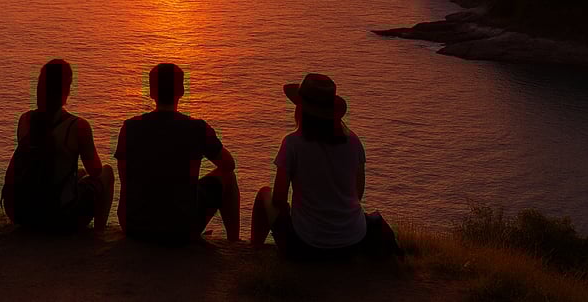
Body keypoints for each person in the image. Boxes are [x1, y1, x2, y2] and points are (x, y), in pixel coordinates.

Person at [250, 73, 401, 259]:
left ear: (301, 109)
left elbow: (279, 199)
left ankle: (254, 251)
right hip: (353, 241)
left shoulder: (292, 144)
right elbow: (357, 194)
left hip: (306, 244)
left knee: (264, 194)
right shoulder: (353, 142)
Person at [114, 63, 240, 244]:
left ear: (151, 92)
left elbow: (125, 178)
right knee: (228, 177)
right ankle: (234, 243)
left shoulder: (130, 127)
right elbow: (228, 164)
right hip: (180, 228)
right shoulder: (197, 128)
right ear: (181, 91)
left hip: (134, 225)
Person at [2, 58, 114, 231]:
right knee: (106, 173)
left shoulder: (25, 120)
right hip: (60, 218)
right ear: (66, 89)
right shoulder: (78, 126)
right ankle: (99, 232)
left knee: (79, 173)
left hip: (23, 215)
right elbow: (95, 171)